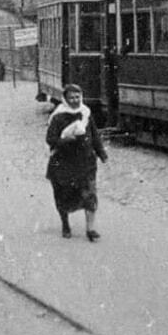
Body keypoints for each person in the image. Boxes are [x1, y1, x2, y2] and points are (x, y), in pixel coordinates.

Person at [45, 84, 108, 241]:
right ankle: (65, 224)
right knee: (63, 195)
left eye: (77, 97)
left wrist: (102, 154)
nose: (75, 101)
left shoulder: (86, 113)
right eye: (71, 98)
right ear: (65, 99)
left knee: (90, 194)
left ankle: (90, 229)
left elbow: (94, 135)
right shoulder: (58, 115)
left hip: (85, 162)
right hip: (64, 163)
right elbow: (50, 139)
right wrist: (65, 140)